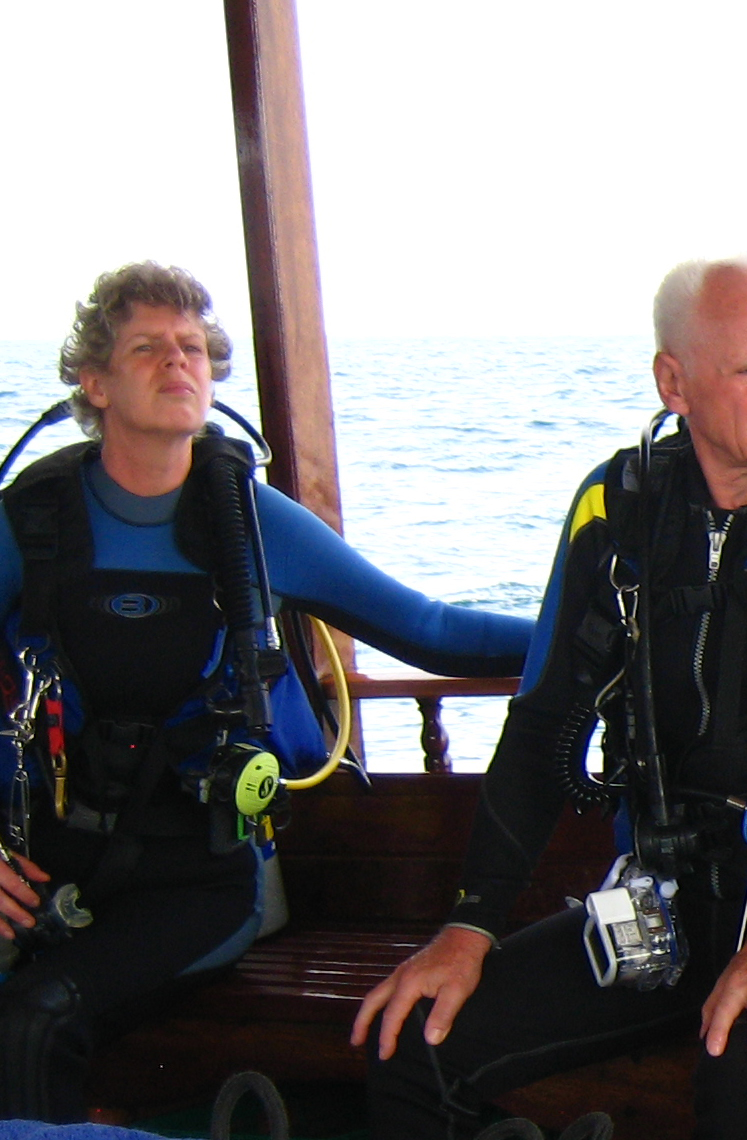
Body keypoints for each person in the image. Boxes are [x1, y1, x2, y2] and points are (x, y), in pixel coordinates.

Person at [353, 257, 747, 1139]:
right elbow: (540, 723)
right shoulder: (619, 509)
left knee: (742, 1064)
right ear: (673, 382)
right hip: (676, 891)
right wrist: (470, 924)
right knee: (412, 1042)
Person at [0, 262, 533, 1120]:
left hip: (201, 881)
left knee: (34, 1018)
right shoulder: (32, 524)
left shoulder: (251, 524)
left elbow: (429, 629)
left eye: (191, 347)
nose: (178, 363)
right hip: (47, 866)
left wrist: (601, 631)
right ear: (93, 382)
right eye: (146, 348)